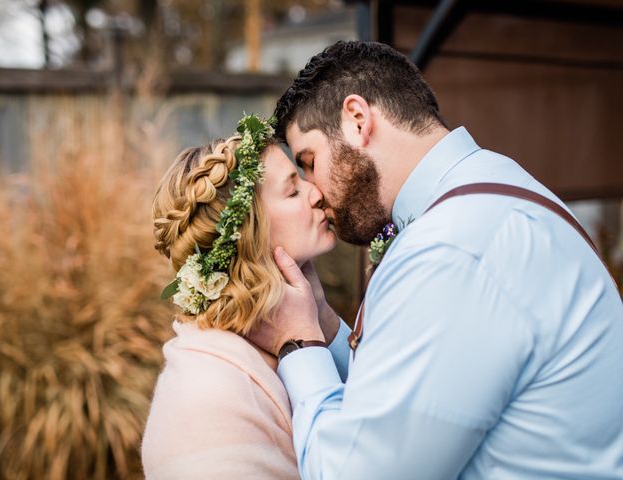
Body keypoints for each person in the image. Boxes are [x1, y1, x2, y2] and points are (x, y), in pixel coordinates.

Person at [249, 41, 623, 479]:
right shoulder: (496, 189)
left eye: (310, 162)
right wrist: (325, 325)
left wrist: (299, 344)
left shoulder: (452, 250)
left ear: (356, 120)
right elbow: (417, 396)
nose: (313, 190)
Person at [141, 115, 336, 479]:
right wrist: (304, 342)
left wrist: (321, 320)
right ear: (249, 235)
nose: (316, 192)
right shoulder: (208, 398)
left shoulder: (290, 327)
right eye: (292, 190)